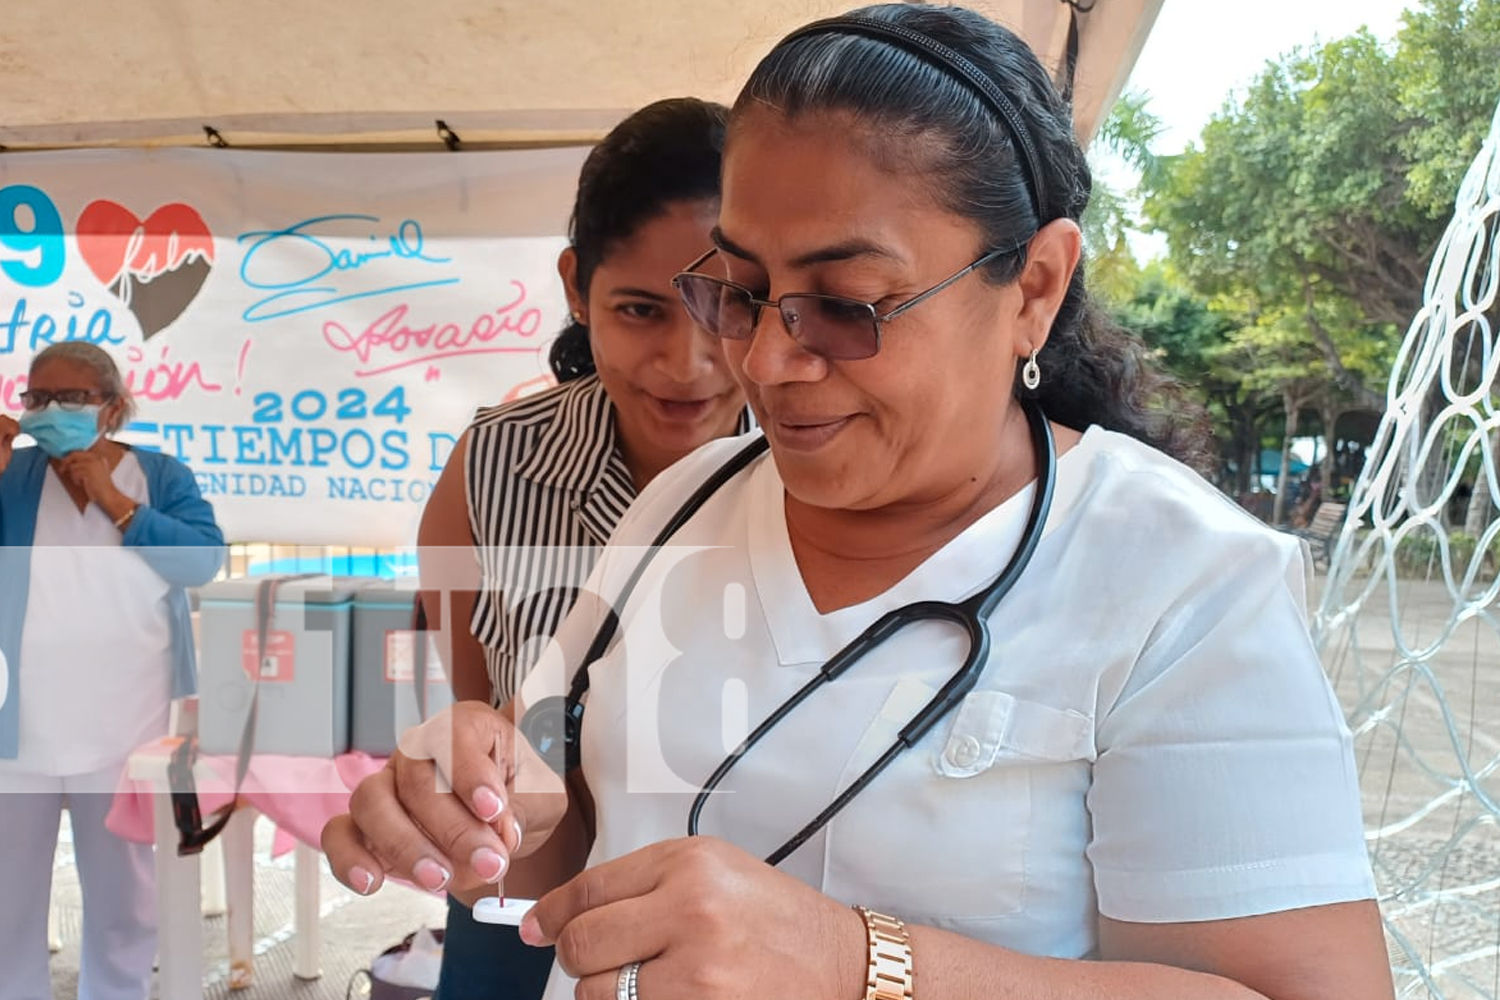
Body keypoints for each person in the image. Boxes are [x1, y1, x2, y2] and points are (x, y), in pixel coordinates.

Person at [325, 6, 1396, 999]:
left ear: (1032, 288)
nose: (771, 362)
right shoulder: (685, 506)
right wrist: (480, 800)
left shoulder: (1188, 585)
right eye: (744, 293)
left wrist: (861, 961)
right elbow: (563, 805)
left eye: (846, 305)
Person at [413, 97, 750, 1000]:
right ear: (576, 285)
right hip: (527, 907)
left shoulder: (823, 469)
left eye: (729, 307)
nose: (689, 363)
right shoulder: (493, 468)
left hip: (745, 927)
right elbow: (482, 717)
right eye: (641, 310)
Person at [0, 341, 224, 1000]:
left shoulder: (159, 475)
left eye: (70, 398)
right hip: (19, 732)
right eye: (37, 398)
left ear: (114, 406)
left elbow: (202, 562)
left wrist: (116, 504)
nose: (50, 410)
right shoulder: (12, 476)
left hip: (129, 725)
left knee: (125, 903)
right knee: (7, 900)